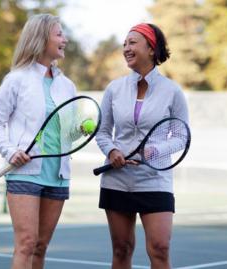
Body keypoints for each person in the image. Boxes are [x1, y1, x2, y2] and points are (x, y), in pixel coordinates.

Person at [95, 23, 189, 269]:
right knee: (121, 249)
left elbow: (181, 136)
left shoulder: (172, 91)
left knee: (160, 249)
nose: (126, 48)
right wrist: (112, 151)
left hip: (155, 180)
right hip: (117, 180)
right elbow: (103, 132)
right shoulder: (114, 89)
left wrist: (155, 151)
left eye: (133, 42)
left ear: (151, 48)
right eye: (125, 43)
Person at [0, 14, 76, 269]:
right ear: (41, 38)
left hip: (57, 175)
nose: (65, 40)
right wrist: (10, 151)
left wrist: (79, 129)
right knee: (26, 243)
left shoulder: (67, 86)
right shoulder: (16, 79)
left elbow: (66, 133)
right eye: (59, 34)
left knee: (40, 248)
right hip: (24, 174)